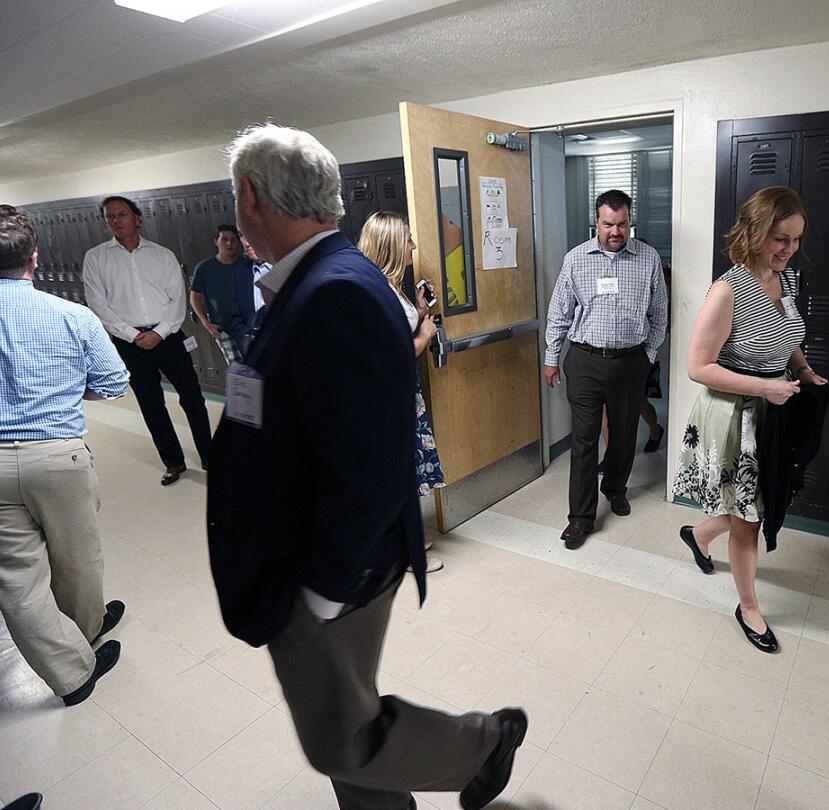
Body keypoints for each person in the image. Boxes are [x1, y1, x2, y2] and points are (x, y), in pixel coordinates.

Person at [206, 123, 526, 810]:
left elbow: (374, 465)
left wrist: (321, 593)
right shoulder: (307, 281)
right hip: (304, 555)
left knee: (339, 738)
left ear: (251, 197)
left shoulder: (337, 289)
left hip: (326, 569)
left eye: (236, 196)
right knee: (339, 718)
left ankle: (484, 745)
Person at [0, 203, 128, 706]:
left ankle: (70, 673)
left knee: (18, 583)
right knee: (79, 558)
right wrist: (60, 392)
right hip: (60, 458)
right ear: (34, 258)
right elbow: (113, 383)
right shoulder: (72, 315)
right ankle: (85, 633)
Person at [672, 186, 828, 653]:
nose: (789, 250)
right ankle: (749, 607)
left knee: (754, 502)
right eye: (780, 239)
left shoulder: (788, 281)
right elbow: (698, 367)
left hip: (774, 406)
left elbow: (787, 332)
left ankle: (698, 536)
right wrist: (766, 387)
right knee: (749, 518)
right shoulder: (728, 289)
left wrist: (801, 369)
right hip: (735, 412)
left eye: (796, 240)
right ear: (755, 232)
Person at [544, 189, 669, 547]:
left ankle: (614, 488)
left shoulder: (647, 259)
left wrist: (647, 356)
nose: (615, 231)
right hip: (584, 360)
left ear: (631, 222)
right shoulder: (576, 259)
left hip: (631, 361)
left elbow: (659, 314)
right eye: (608, 224)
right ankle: (580, 517)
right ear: (596, 222)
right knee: (584, 440)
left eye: (622, 224)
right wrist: (552, 358)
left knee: (625, 432)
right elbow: (559, 314)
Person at [82, 195, 214, 486]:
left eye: (122, 215)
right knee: (151, 404)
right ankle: (173, 462)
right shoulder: (96, 258)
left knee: (192, 397)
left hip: (167, 337)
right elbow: (98, 304)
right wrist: (132, 335)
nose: (116, 221)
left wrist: (159, 332)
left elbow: (177, 300)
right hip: (130, 344)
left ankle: (209, 456)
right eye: (110, 217)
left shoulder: (162, 255)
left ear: (137, 218)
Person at [358, 210, 447, 574]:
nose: (413, 246)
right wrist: (425, 336)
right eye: (408, 240)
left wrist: (422, 310)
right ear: (392, 246)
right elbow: (389, 354)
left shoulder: (391, 286)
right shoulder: (374, 292)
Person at [190, 224, 258, 364]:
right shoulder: (205, 268)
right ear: (216, 241)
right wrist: (206, 323)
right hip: (223, 328)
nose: (229, 243)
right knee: (236, 367)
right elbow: (194, 298)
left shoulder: (246, 265)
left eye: (234, 239)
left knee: (256, 363)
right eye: (224, 239)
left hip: (248, 325)